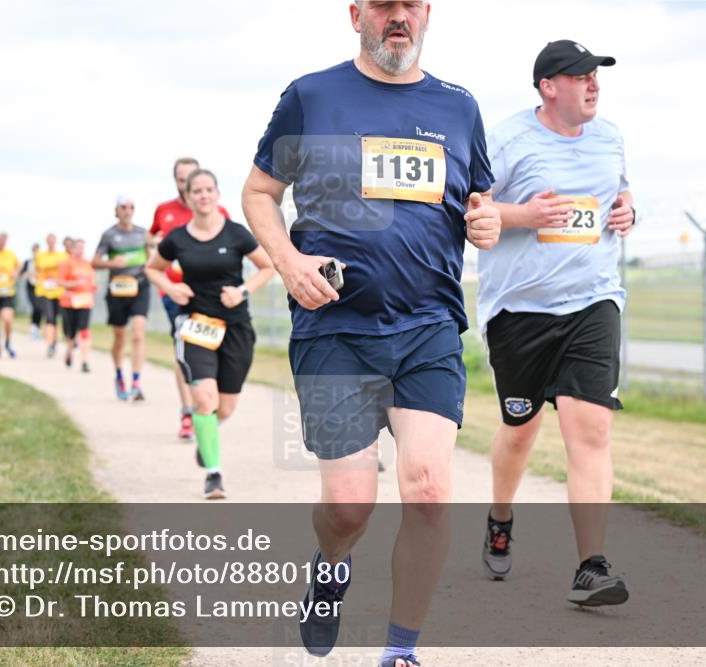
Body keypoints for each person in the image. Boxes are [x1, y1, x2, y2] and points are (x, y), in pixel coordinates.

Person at [241, 2, 501, 664]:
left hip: (428, 327)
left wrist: (488, 220)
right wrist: (288, 261)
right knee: (351, 507)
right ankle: (331, 566)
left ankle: (400, 650)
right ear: (356, 12)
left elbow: (478, 201)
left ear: (427, 14)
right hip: (336, 328)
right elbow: (259, 192)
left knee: (429, 488)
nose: (398, 18)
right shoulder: (312, 95)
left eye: (410, 5)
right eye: (384, 5)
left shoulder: (458, 106)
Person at [476, 39, 635, 607]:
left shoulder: (610, 136)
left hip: (593, 302)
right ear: (549, 86)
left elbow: (619, 193)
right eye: (580, 77)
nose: (593, 85)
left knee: (590, 428)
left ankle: (591, 565)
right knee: (521, 430)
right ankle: (499, 515)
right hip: (520, 311)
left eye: (597, 76)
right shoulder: (508, 138)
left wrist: (628, 210)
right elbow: (470, 209)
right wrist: (526, 215)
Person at [146, 169, 274, 499]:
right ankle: (213, 474)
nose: (203, 195)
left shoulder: (235, 233)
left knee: (225, 408)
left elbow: (267, 267)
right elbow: (152, 269)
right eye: (196, 191)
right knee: (204, 398)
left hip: (235, 327)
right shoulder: (177, 238)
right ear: (188, 198)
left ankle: (207, 439)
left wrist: (242, 292)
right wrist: (171, 289)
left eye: (209, 190)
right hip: (195, 326)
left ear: (217, 194)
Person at [151, 157, 233, 440]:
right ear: (177, 182)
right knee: (184, 349)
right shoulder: (164, 210)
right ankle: (188, 409)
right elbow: (152, 246)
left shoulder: (217, 210)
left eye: (191, 176)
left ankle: (207, 405)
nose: (187, 182)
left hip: (212, 297)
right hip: (178, 295)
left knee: (216, 350)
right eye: (181, 178)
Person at [93, 195, 151, 401]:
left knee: (137, 333)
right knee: (120, 337)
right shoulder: (109, 235)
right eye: (123, 207)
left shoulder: (143, 233)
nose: (127, 210)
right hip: (117, 289)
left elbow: (150, 256)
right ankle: (119, 375)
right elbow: (95, 262)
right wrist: (111, 264)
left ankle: (136, 382)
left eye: (131, 207)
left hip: (140, 286)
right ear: (116, 211)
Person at [58, 238, 97, 372]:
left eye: (83, 247)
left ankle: (84, 360)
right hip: (69, 302)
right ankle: (69, 350)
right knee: (70, 332)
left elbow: (92, 281)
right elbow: (60, 282)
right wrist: (74, 284)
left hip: (85, 302)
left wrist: (93, 288)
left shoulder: (88, 264)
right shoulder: (66, 263)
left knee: (84, 330)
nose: (81, 250)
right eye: (78, 247)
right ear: (72, 249)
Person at [34, 234, 69, 358]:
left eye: (53, 241)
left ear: (56, 242)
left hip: (59, 291)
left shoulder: (63, 256)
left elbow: (66, 271)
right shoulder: (40, 256)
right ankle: (50, 345)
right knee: (49, 317)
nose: (51, 243)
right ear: (46, 242)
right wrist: (39, 280)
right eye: (49, 241)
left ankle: (55, 341)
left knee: (57, 318)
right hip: (45, 291)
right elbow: (37, 271)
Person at [20, 243, 44, 340]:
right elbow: (22, 274)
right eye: (35, 251)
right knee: (35, 307)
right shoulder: (28, 262)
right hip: (31, 287)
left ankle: (36, 329)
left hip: (41, 288)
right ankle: (33, 330)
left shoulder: (43, 261)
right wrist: (29, 275)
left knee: (40, 309)